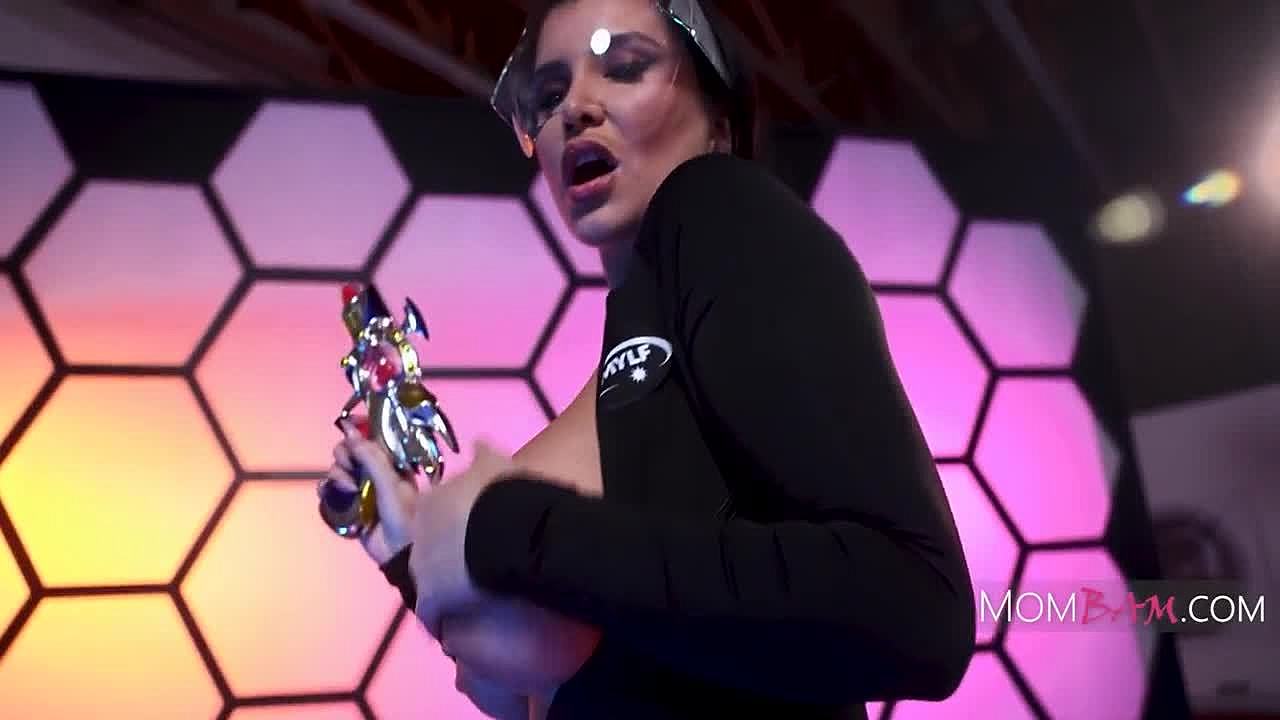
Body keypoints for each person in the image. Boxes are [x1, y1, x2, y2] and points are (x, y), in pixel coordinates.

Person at [322, 0, 976, 717]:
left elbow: (915, 604)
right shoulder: (636, 359)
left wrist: (507, 528)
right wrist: (408, 547)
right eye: (549, 94)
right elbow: (558, 683)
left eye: (625, 67)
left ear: (721, 125)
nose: (575, 108)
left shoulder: (717, 204)